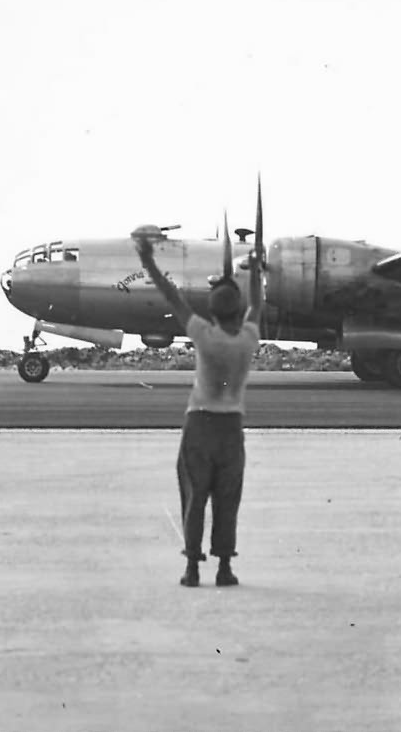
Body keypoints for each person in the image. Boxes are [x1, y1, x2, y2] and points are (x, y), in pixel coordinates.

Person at [134, 233, 262, 587]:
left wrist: (148, 261)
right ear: (238, 311)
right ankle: (224, 568)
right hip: (232, 427)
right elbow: (259, 305)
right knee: (227, 500)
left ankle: (192, 568)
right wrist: (255, 269)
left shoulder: (204, 335)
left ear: (213, 311)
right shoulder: (249, 338)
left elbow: (172, 296)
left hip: (200, 425)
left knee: (194, 496)